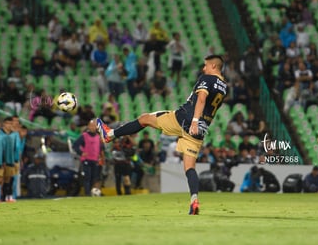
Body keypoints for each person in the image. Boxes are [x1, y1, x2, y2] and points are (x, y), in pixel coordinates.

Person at [95, 55, 228, 215]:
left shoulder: (208, 78)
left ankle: (110, 134)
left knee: (144, 119)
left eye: (206, 65)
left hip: (184, 119)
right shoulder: (224, 87)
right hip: (199, 130)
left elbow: (201, 99)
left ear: (213, 66)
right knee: (189, 168)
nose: (203, 68)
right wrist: (197, 123)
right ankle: (194, 200)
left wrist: (194, 120)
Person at [73, 120, 104, 196]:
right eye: (91, 125)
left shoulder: (98, 137)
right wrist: (81, 153)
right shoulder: (84, 136)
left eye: (94, 126)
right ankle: (87, 194)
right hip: (86, 160)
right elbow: (75, 146)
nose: (93, 127)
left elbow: (101, 149)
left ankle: (92, 193)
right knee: (87, 177)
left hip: (95, 160)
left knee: (94, 178)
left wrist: (102, 158)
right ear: (88, 127)